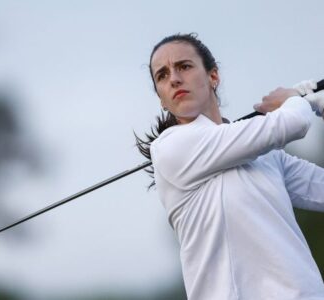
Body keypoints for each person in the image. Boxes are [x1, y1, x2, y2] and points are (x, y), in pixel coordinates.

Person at [135, 33, 324, 300]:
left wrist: (316, 106)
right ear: (162, 100)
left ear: (213, 77)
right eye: (162, 75)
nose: (174, 78)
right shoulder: (171, 148)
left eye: (184, 67)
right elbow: (292, 124)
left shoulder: (266, 155)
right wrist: (295, 100)